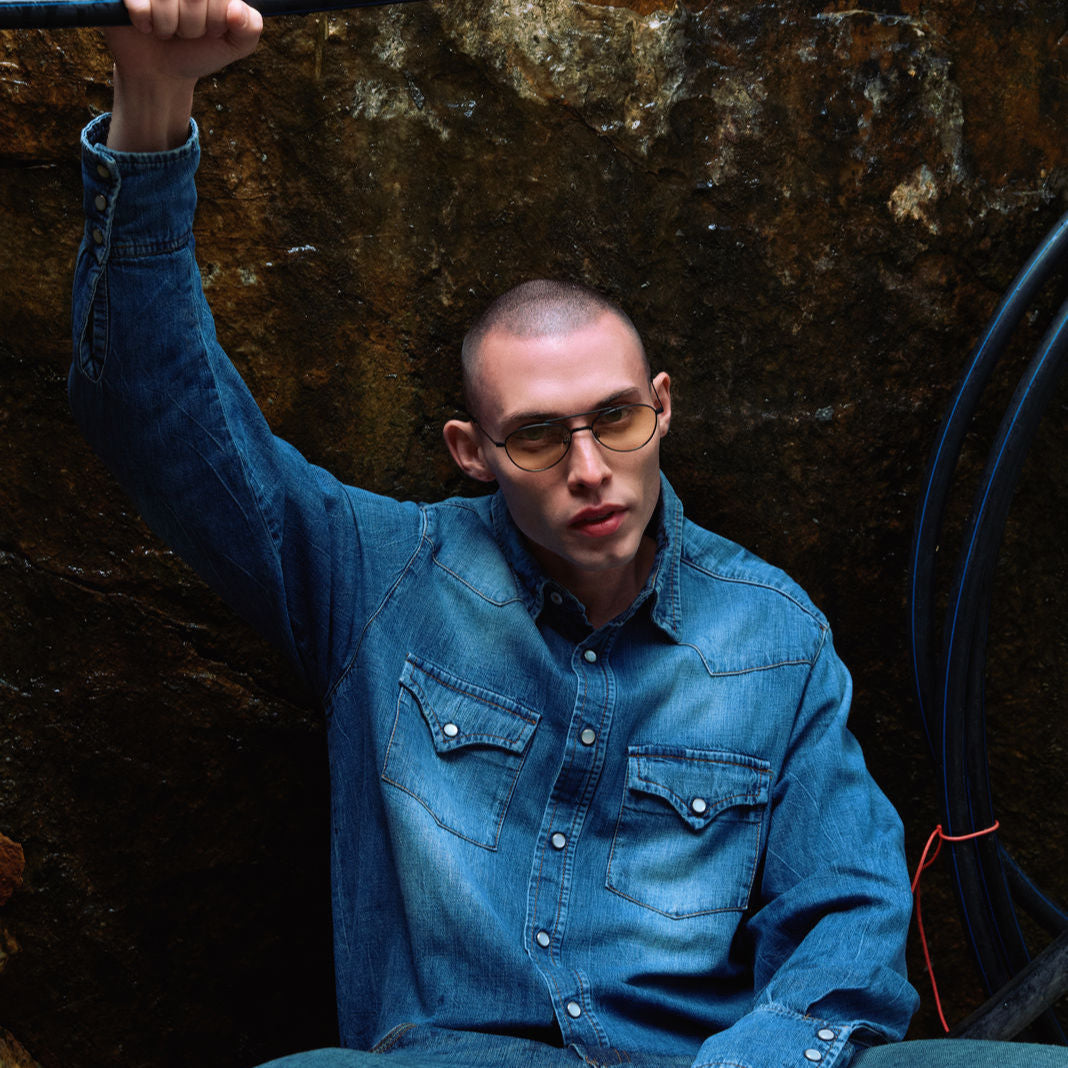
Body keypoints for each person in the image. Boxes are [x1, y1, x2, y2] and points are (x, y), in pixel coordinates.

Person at [66, 2, 1067, 1067]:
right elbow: (159, 412)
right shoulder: (379, 576)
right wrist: (152, 101)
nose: (590, 469)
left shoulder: (772, 633)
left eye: (617, 419)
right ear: (472, 450)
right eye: (540, 437)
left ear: (662, 408)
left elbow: (848, 916)